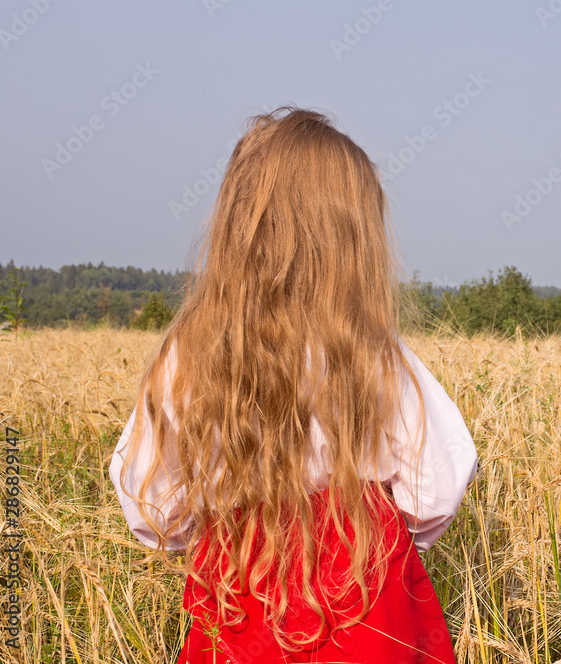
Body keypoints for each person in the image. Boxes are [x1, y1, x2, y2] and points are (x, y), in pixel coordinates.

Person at [108, 107, 478, 663]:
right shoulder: (377, 353)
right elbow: (440, 484)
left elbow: (152, 503)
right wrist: (376, 538)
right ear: (356, 239)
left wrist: (222, 533)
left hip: (241, 593)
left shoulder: (190, 355)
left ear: (238, 225)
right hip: (367, 596)